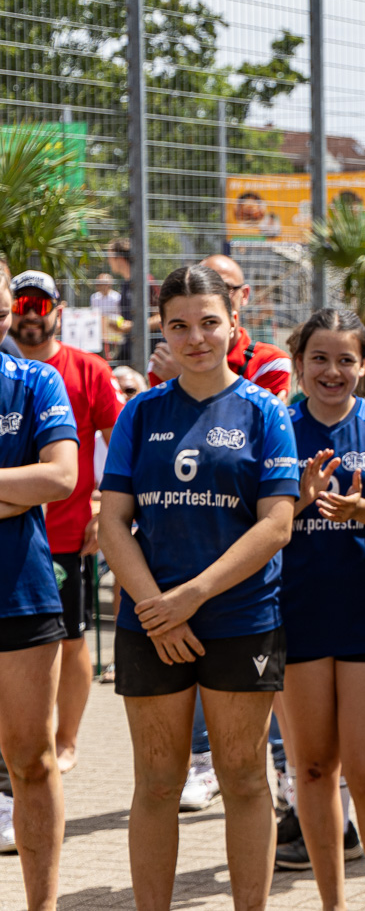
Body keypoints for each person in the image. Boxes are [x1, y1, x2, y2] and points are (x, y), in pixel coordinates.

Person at [99, 264, 299, 911]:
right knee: (158, 782)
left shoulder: (265, 411)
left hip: (241, 618)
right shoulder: (140, 411)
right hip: (151, 624)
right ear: (161, 328)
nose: (196, 337)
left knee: (244, 776)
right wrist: (160, 609)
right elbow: (113, 520)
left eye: (209, 322)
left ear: (234, 323)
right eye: (179, 324)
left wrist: (191, 596)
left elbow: (276, 523)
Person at [277, 309, 365, 910]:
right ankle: (332, 905)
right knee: (311, 770)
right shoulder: (275, 428)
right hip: (295, 617)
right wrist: (299, 506)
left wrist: (363, 512)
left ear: (363, 366)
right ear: (299, 362)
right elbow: (254, 527)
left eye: (345, 360)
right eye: (319, 359)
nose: (332, 371)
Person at [10, 270, 123, 775]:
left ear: (58, 309)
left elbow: (120, 442)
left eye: (40, 302)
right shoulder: (8, 370)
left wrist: (103, 507)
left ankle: (67, 739)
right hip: (16, 538)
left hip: (69, 533)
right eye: (21, 302)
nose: (30, 312)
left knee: (74, 637)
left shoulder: (86, 370)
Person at [0, 266, 79, 903]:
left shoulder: (35, 380)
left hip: (21, 594)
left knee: (31, 758)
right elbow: (32, 482)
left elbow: (59, 478)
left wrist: (31, 485)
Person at [149, 254, 291, 402]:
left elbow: (255, 423)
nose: (213, 294)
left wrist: (186, 382)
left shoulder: (269, 362)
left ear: (244, 295)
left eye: (225, 287)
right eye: (201, 286)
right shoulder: (166, 360)